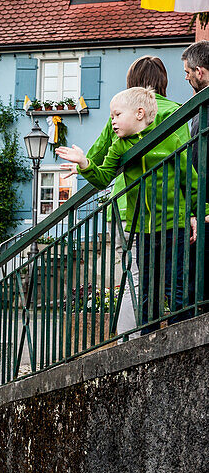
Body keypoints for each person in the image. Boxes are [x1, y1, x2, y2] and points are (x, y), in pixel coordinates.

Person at [57, 86, 193, 332]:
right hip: (142, 228)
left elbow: (190, 180)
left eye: (117, 115)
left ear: (139, 113)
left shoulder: (169, 138)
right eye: (112, 116)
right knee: (148, 287)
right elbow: (103, 178)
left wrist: (199, 211)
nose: (112, 122)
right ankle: (148, 337)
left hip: (176, 224)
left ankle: (180, 334)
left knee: (176, 285)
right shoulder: (119, 145)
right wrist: (86, 163)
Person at [182, 41, 209, 310]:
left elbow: (198, 164)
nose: (187, 78)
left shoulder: (204, 110)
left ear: (199, 71)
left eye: (188, 73)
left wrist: (197, 210)